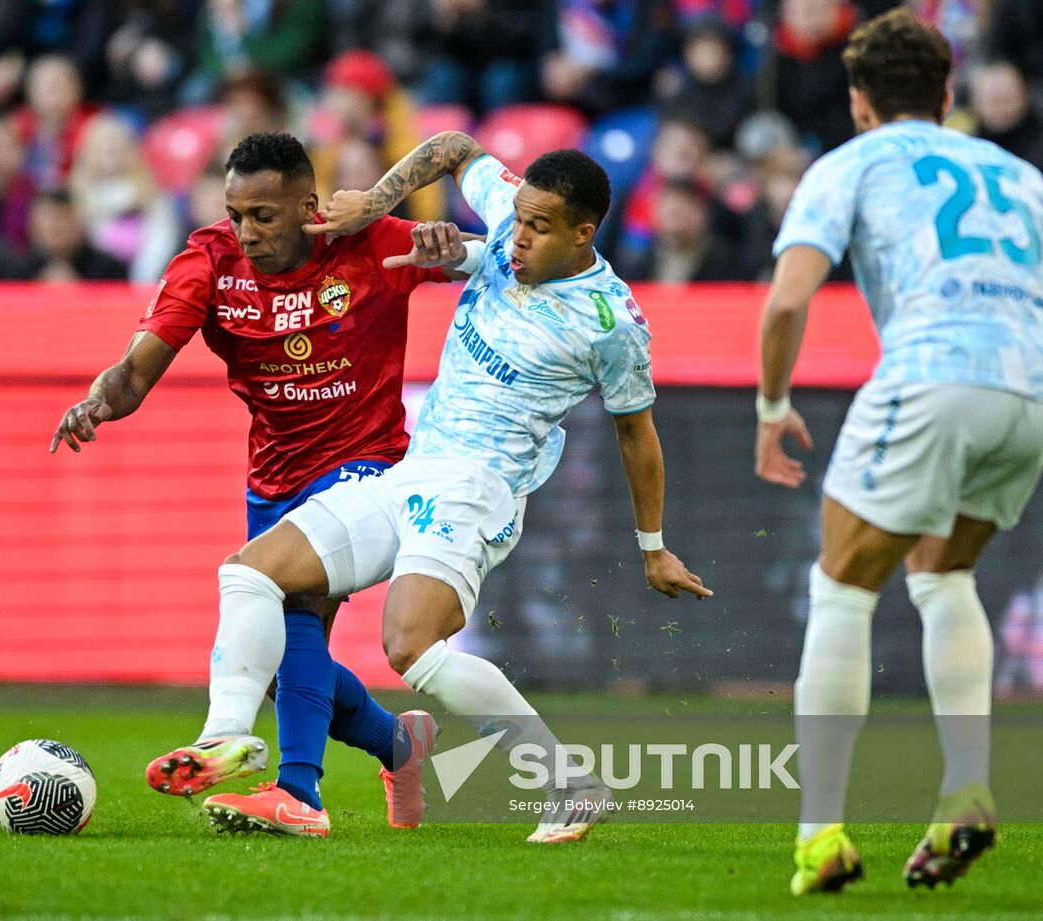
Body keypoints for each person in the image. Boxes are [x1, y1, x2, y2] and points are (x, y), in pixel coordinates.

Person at [180, 130, 712, 841]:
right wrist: (379, 203)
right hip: (415, 470)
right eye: (516, 219)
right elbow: (457, 148)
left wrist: (653, 546)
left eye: (538, 228)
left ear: (584, 233)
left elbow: (636, 433)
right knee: (251, 572)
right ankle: (224, 738)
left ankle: (568, 783)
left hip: (479, 491)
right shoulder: (511, 217)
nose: (517, 237)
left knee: (409, 646)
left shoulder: (610, 322)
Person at [51, 132, 470, 833]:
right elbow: (136, 369)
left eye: (263, 216)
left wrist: (448, 245)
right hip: (274, 477)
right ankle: (399, 744)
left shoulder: (369, 242)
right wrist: (98, 401)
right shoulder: (210, 261)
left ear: (308, 207)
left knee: (298, 607)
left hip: (366, 464)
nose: (246, 231)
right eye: (236, 214)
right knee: (278, 661)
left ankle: (299, 793)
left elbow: (487, 258)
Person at [754, 8, 1043, 896]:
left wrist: (772, 406)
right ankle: (964, 789)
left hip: (933, 372)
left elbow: (787, 300)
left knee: (842, 587)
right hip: (1030, 388)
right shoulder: (1021, 174)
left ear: (859, 101)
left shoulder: (851, 162)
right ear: (949, 94)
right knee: (942, 573)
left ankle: (820, 836)